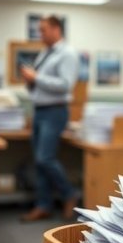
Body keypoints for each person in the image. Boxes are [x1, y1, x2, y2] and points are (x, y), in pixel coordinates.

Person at [20, 15, 79, 221]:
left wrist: (36, 77)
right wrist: (30, 81)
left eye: (44, 29)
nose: (40, 34)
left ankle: (70, 194)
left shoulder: (67, 54)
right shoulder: (45, 53)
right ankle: (43, 205)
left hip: (55, 111)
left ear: (56, 29)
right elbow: (43, 83)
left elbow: (65, 85)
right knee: (39, 161)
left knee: (45, 158)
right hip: (39, 110)